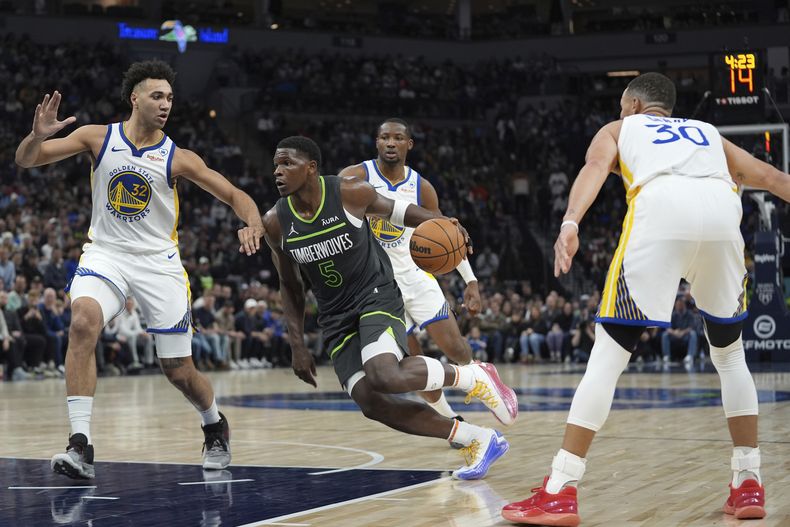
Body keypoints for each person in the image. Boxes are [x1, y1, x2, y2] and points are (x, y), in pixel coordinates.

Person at [502, 72, 790, 524]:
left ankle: (560, 488)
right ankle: (748, 481)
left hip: (660, 212)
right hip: (721, 218)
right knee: (731, 357)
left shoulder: (620, 129)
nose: (619, 113)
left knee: (607, 359)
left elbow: (595, 168)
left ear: (634, 105)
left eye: (621, 106)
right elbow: (772, 178)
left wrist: (570, 222)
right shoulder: (709, 133)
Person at [14, 59, 264, 479]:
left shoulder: (178, 158)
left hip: (158, 265)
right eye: (156, 96)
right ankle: (80, 445)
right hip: (105, 254)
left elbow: (234, 193)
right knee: (82, 323)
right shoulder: (98, 137)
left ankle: (214, 424)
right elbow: (28, 160)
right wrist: (35, 137)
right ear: (135, 98)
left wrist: (252, 222)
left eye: (169, 97)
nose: (165, 104)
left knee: (178, 370)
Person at [262, 136, 518, 480]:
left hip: (376, 294)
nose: (278, 171)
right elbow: (290, 286)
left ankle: (473, 376)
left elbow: (400, 211)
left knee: (385, 374)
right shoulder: (276, 222)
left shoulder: (349, 192)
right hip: (336, 318)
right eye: (276, 165)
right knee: (372, 402)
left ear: (311, 168)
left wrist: (443, 222)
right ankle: (477, 438)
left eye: (287, 164)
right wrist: (297, 344)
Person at [338, 118, 481, 425]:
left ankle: (484, 380)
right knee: (408, 365)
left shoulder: (422, 187)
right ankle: (452, 418)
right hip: (377, 288)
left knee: (456, 348)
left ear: (408, 144)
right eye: (385, 137)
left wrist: (471, 281)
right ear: (376, 142)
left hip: (416, 277)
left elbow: (448, 237)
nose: (391, 143)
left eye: (398, 138)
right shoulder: (353, 177)